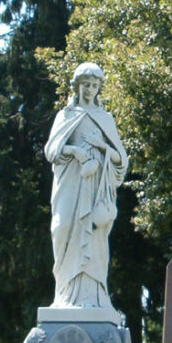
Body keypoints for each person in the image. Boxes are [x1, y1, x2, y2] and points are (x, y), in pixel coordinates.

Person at [44, 62, 128, 308]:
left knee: (93, 236)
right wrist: (75, 151)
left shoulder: (105, 118)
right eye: (85, 84)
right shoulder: (66, 115)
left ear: (99, 88)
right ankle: (64, 294)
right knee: (62, 227)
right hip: (71, 182)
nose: (89, 89)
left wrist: (102, 147)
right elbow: (51, 150)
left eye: (94, 85)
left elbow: (121, 160)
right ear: (77, 86)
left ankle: (94, 296)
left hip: (96, 188)